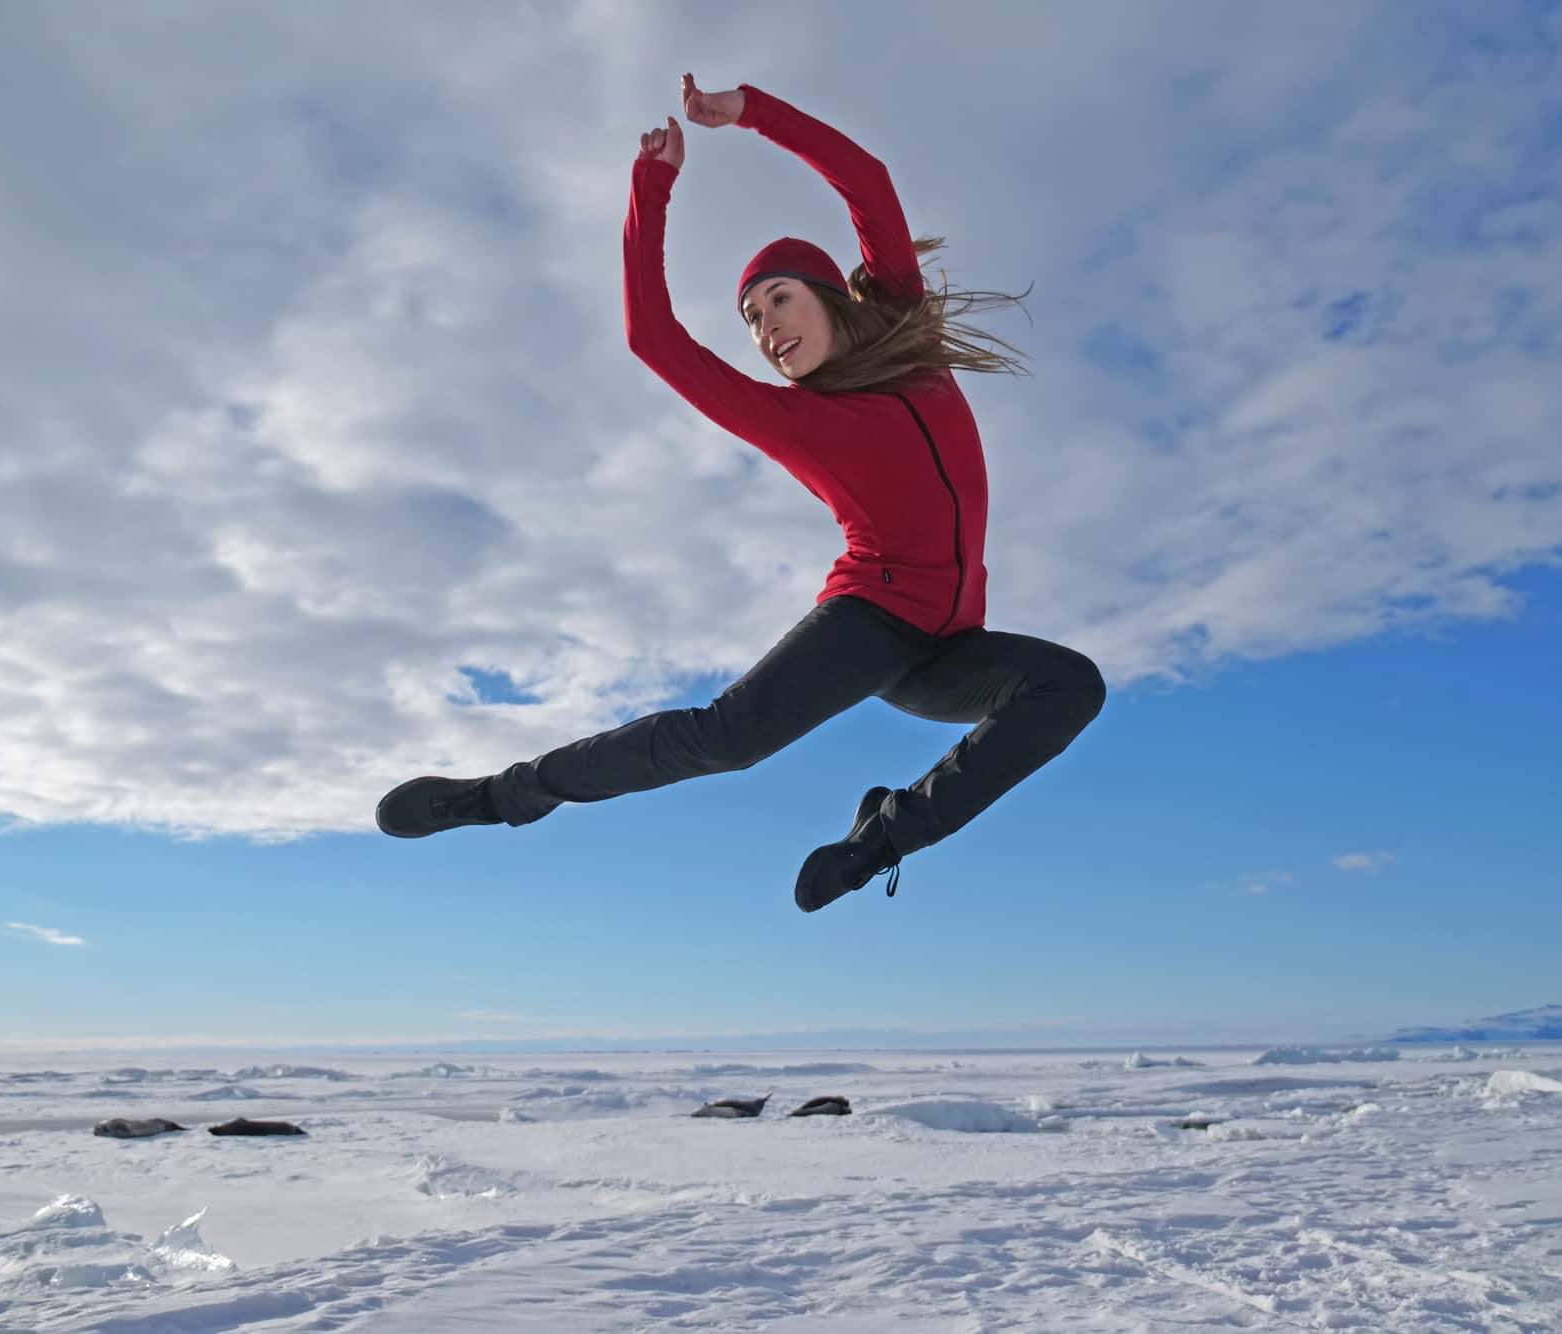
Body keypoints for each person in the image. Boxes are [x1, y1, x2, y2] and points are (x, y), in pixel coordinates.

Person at [378, 74, 1105, 913]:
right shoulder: (793, 418)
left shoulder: (912, 336)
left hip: (950, 647)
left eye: (777, 300)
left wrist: (751, 112)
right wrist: (651, 190)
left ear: (827, 294)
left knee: (1071, 687)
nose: (765, 329)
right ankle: (496, 796)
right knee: (725, 741)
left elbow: (866, 180)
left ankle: (882, 838)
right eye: (752, 319)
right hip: (871, 623)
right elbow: (652, 335)